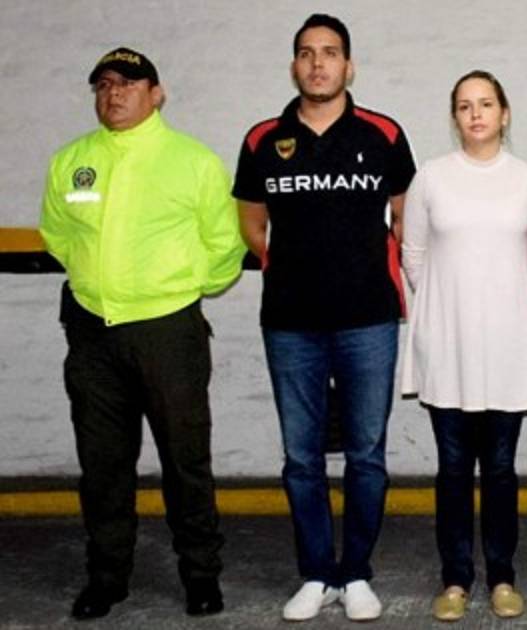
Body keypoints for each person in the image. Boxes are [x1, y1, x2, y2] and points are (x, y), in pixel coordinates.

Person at [39, 47, 244, 619]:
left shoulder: (192, 161)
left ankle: (200, 576)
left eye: (128, 84)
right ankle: (107, 578)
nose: (114, 94)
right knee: (102, 465)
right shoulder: (72, 160)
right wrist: (98, 281)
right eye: (104, 84)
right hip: (93, 334)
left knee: (185, 462)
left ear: (157, 94)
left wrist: (175, 288)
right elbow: (57, 234)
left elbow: (224, 245)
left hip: (168, 332)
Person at [233, 13, 417, 622]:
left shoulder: (383, 133)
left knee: (366, 454)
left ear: (349, 66)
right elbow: (252, 223)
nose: (318, 63)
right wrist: (287, 266)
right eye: (308, 53)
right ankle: (316, 573)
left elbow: (404, 215)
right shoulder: (263, 139)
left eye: (330, 52)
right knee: (301, 458)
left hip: (369, 320)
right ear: (295, 66)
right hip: (290, 323)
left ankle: (356, 572)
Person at [400, 70, 527, 622]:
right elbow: (413, 255)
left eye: (486, 104)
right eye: (465, 106)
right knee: (454, 468)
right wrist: (450, 312)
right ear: (455, 117)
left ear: (504, 114)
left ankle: (503, 576)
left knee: (502, 468)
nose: (476, 114)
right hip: (449, 349)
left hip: (508, 349)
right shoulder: (431, 178)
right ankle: (456, 579)